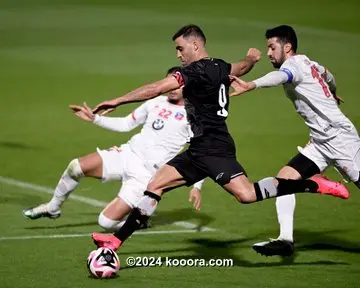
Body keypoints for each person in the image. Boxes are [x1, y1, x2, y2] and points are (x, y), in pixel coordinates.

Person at [89, 24, 349, 251]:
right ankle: (115, 241)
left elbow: (157, 88)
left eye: (180, 49)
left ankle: (313, 185)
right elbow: (241, 67)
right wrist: (251, 58)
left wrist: (118, 100)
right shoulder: (219, 67)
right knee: (155, 185)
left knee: (247, 195)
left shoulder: (195, 71)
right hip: (198, 148)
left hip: (215, 149)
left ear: (194, 45)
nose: (178, 55)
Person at [229, 25, 360, 256]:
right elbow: (328, 75)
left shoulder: (292, 66)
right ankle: (285, 240)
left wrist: (252, 84)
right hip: (321, 142)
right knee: (285, 179)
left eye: (272, 47)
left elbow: (281, 77)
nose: (268, 52)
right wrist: (332, 92)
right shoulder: (308, 62)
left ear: (287, 47)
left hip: (340, 140)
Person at [23, 67, 205, 232]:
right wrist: (95, 119)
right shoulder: (155, 102)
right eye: (168, 83)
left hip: (146, 175)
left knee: (105, 222)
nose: (171, 88)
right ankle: (53, 207)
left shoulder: (194, 115)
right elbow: (126, 124)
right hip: (127, 154)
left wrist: (197, 186)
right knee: (76, 166)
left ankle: (139, 221)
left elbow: (203, 151)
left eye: (177, 84)